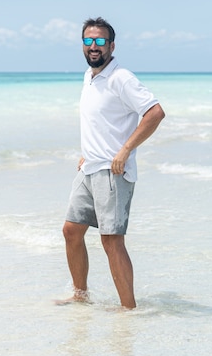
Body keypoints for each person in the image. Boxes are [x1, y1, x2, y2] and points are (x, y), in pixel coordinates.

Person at [61, 17, 165, 309]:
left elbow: (155, 113)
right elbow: (101, 121)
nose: (94, 47)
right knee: (71, 230)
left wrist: (125, 151)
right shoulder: (89, 76)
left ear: (111, 45)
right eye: (89, 41)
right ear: (83, 44)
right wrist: (88, 152)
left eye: (100, 41)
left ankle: (128, 309)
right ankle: (80, 296)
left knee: (111, 240)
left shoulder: (122, 78)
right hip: (90, 168)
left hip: (113, 172)